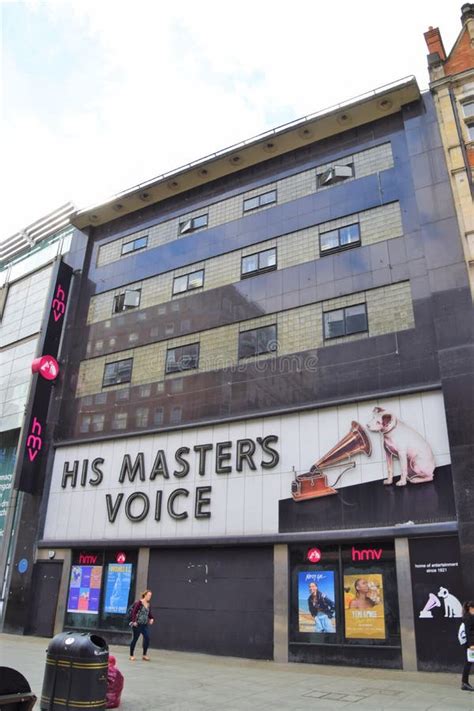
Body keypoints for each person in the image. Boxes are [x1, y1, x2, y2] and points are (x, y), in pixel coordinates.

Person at [129, 589, 155, 661]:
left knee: (147, 638)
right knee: (135, 639)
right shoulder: (139, 603)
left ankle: (144, 655)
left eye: (150, 596)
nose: (150, 597)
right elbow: (134, 612)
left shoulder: (148, 604)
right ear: (145, 595)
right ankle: (131, 655)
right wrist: (134, 621)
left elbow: (149, 614)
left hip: (144, 625)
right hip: (137, 624)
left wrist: (152, 618)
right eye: (149, 595)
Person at [461, 601, 474, 692]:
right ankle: (464, 683)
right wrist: (471, 645)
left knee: (468, 662)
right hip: (471, 644)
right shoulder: (468, 617)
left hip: (471, 643)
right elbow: (468, 632)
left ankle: (464, 683)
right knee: (468, 662)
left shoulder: (471, 616)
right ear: (471, 608)